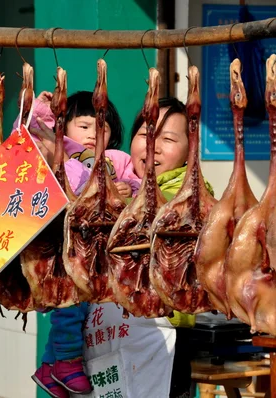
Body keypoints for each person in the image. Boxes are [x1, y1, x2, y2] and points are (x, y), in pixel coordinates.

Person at [81, 97, 214, 398]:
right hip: (107, 339)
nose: (152, 146)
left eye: (167, 139)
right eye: (145, 135)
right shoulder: (125, 182)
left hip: (160, 341)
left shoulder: (190, 193)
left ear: (189, 152)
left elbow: (150, 217)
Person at [18, 90, 140, 398]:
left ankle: (49, 366)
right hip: (66, 246)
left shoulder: (118, 160)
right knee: (69, 304)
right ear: (65, 127)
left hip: (101, 248)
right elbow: (28, 136)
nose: (92, 134)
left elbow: (137, 186)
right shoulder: (62, 155)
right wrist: (42, 108)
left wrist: (130, 188)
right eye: (83, 126)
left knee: (82, 305)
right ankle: (68, 363)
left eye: (102, 127)